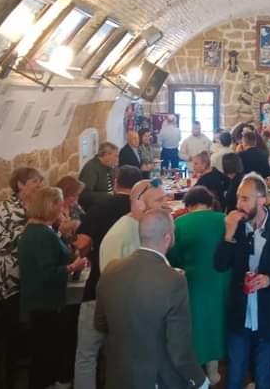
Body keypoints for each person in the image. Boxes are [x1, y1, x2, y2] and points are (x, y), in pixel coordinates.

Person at [95, 211, 207, 389]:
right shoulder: (174, 280)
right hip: (155, 378)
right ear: (168, 237)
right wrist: (199, 380)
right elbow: (179, 347)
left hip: (117, 375)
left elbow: (100, 324)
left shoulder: (111, 269)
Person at [214, 173, 270, 389]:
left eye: (245, 199)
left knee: (263, 376)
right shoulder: (234, 227)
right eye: (238, 198)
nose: (238, 204)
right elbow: (219, 265)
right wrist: (228, 234)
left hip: (268, 313)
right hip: (239, 313)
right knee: (235, 373)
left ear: (262, 199)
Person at [72, 165, 142, 389]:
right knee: (122, 354)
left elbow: (82, 242)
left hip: (98, 287)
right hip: (131, 293)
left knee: (86, 354)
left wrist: (86, 255)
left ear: (115, 180)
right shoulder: (142, 212)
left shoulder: (101, 207)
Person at [18, 187, 88, 389]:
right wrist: (72, 267)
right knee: (45, 354)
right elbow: (46, 273)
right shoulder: (41, 235)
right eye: (59, 204)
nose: (62, 209)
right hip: (44, 302)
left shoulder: (38, 229)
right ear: (51, 206)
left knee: (46, 351)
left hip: (41, 301)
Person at [0, 167, 43, 383]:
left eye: (39, 181)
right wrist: (30, 228)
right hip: (6, 272)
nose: (39, 185)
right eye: (35, 181)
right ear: (20, 185)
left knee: (25, 321)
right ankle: (8, 375)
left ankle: (25, 362)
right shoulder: (6, 207)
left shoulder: (32, 206)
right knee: (10, 324)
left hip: (25, 270)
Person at [168, 187, 231, 385]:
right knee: (218, 322)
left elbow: (173, 257)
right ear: (210, 203)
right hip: (223, 279)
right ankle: (214, 370)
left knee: (197, 326)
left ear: (188, 205)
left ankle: (197, 375)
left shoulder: (180, 223)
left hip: (194, 281)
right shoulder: (225, 219)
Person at [100, 178, 169, 271]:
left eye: (165, 198)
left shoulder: (150, 226)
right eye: (159, 200)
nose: (166, 204)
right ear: (139, 204)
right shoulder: (119, 237)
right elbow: (112, 280)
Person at [78, 142, 118, 210]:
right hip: (96, 208)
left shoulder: (108, 165)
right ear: (106, 155)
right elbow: (85, 195)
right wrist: (109, 195)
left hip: (107, 203)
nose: (117, 159)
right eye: (115, 156)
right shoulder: (91, 168)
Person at [55, 175, 86, 244]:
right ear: (64, 194)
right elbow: (59, 235)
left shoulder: (74, 205)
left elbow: (85, 219)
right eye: (74, 195)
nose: (77, 198)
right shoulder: (55, 210)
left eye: (78, 195)